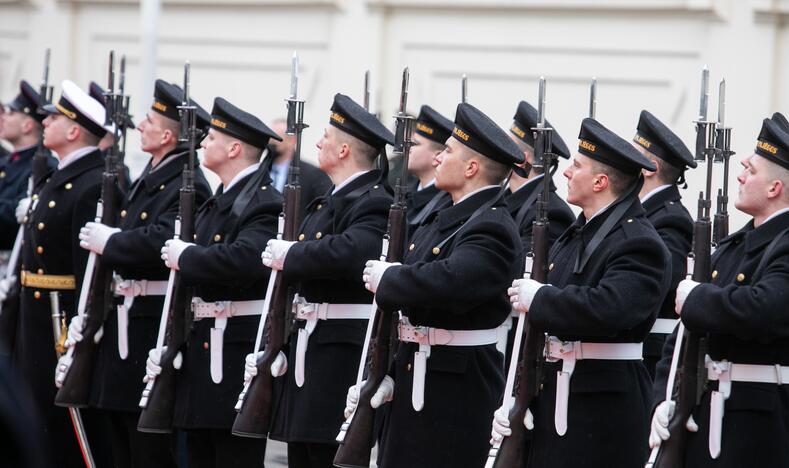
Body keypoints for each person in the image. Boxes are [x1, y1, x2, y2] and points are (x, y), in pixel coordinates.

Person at [651, 115, 789, 467]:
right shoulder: (738, 244)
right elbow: (684, 334)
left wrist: (697, 298)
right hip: (710, 410)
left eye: (750, 170)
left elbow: (764, 310)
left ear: (774, 188)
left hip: (760, 422)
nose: (740, 175)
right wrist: (665, 394)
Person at [356, 102, 524, 468]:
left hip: (456, 384)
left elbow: (453, 280)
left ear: (471, 167)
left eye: (447, 151)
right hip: (419, 371)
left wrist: (391, 277)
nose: (436, 159)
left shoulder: (491, 226)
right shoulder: (448, 215)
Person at [497, 117, 670, 468]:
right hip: (557, 393)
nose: (565, 173)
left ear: (600, 181)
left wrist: (540, 298)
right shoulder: (581, 232)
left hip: (602, 403)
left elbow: (610, 308)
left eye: (576, 166)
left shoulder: (638, 243)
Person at [74, 79, 212, 468]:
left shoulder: (188, 185)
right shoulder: (152, 177)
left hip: (148, 322)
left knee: (144, 444)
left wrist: (113, 242)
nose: (140, 126)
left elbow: (162, 240)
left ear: (168, 134)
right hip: (124, 318)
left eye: (149, 121)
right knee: (115, 434)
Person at [148, 97, 283, 468]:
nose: (203, 143)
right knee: (198, 452)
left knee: (230, 455)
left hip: (234, 348)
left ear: (235, 149)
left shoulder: (262, 203)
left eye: (211, 138)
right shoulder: (219, 200)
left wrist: (187, 256)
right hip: (204, 345)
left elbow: (244, 259)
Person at [262, 93, 393, 468]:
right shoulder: (329, 199)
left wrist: (291, 255)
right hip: (311, 345)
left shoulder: (374, 200)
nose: (317, 143)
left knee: (325, 455)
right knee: (302, 453)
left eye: (326, 137)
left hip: (339, 352)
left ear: (345, 150)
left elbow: (351, 251)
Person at [13, 79, 109, 468]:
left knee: (64, 425)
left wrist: (82, 332)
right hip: (34, 315)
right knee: (36, 416)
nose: (44, 122)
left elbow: (89, 271)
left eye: (53, 118)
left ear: (73, 131)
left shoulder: (88, 183)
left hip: (61, 317)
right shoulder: (58, 174)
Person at [630, 110, 697, 382]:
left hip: (653, 355)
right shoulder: (646, 212)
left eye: (631, 155)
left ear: (651, 168)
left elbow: (661, 280)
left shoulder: (671, 218)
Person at [505, 100, 574, 251]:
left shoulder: (550, 212)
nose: (500, 150)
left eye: (506, 146)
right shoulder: (501, 198)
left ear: (521, 159)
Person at [0, 80, 49, 250]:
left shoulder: (44, 164)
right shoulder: (7, 161)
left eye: (11, 113)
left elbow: (16, 211)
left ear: (27, 125)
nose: (3, 117)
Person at [405, 105, 453, 237]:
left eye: (415, 144)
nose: (408, 148)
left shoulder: (445, 201)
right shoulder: (408, 193)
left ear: (437, 156)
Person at [268, 118, 331, 210]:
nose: (271, 141)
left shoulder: (313, 175)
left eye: (276, 137)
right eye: (270, 137)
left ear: (292, 140)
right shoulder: (261, 172)